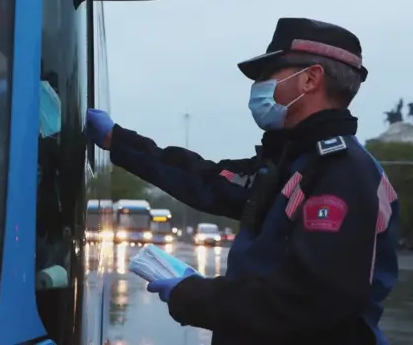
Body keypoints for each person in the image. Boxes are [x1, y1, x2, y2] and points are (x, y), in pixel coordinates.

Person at [86, 18, 400, 345]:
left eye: (268, 75)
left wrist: (193, 295)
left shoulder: (342, 174)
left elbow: (306, 303)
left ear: (310, 79)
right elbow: (206, 180)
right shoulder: (293, 165)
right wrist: (117, 141)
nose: (259, 87)